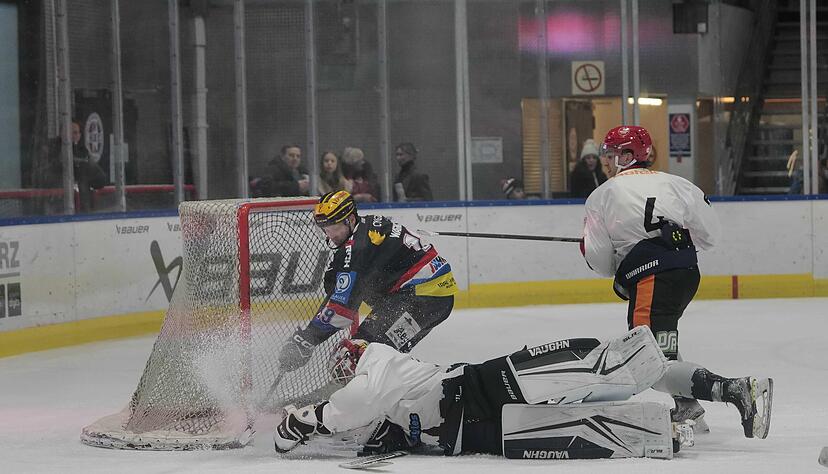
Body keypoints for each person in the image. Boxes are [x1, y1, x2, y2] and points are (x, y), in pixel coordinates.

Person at [581, 125, 773, 439]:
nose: (606, 161)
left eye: (612, 154)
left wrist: (603, 251)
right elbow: (709, 236)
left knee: (647, 360)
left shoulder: (602, 195)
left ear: (628, 156)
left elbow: (600, 262)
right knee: (660, 346)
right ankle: (687, 406)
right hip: (684, 273)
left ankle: (735, 390)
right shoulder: (677, 183)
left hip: (653, 277)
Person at [274, 326, 700, 458]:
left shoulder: (378, 360)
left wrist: (305, 420)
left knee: (562, 399)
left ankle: (638, 379)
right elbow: (359, 411)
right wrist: (307, 425)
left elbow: (357, 402)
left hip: (463, 410)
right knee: (565, 415)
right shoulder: (370, 383)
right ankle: (656, 425)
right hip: (465, 411)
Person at [278, 190, 457, 371]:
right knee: (381, 356)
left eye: (334, 227)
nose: (330, 235)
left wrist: (306, 340)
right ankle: (395, 389)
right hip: (432, 298)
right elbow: (341, 290)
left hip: (423, 298)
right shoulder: (365, 227)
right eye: (325, 229)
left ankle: (368, 394)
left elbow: (343, 307)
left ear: (350, 219)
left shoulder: (357, 249)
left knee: (357, 354)